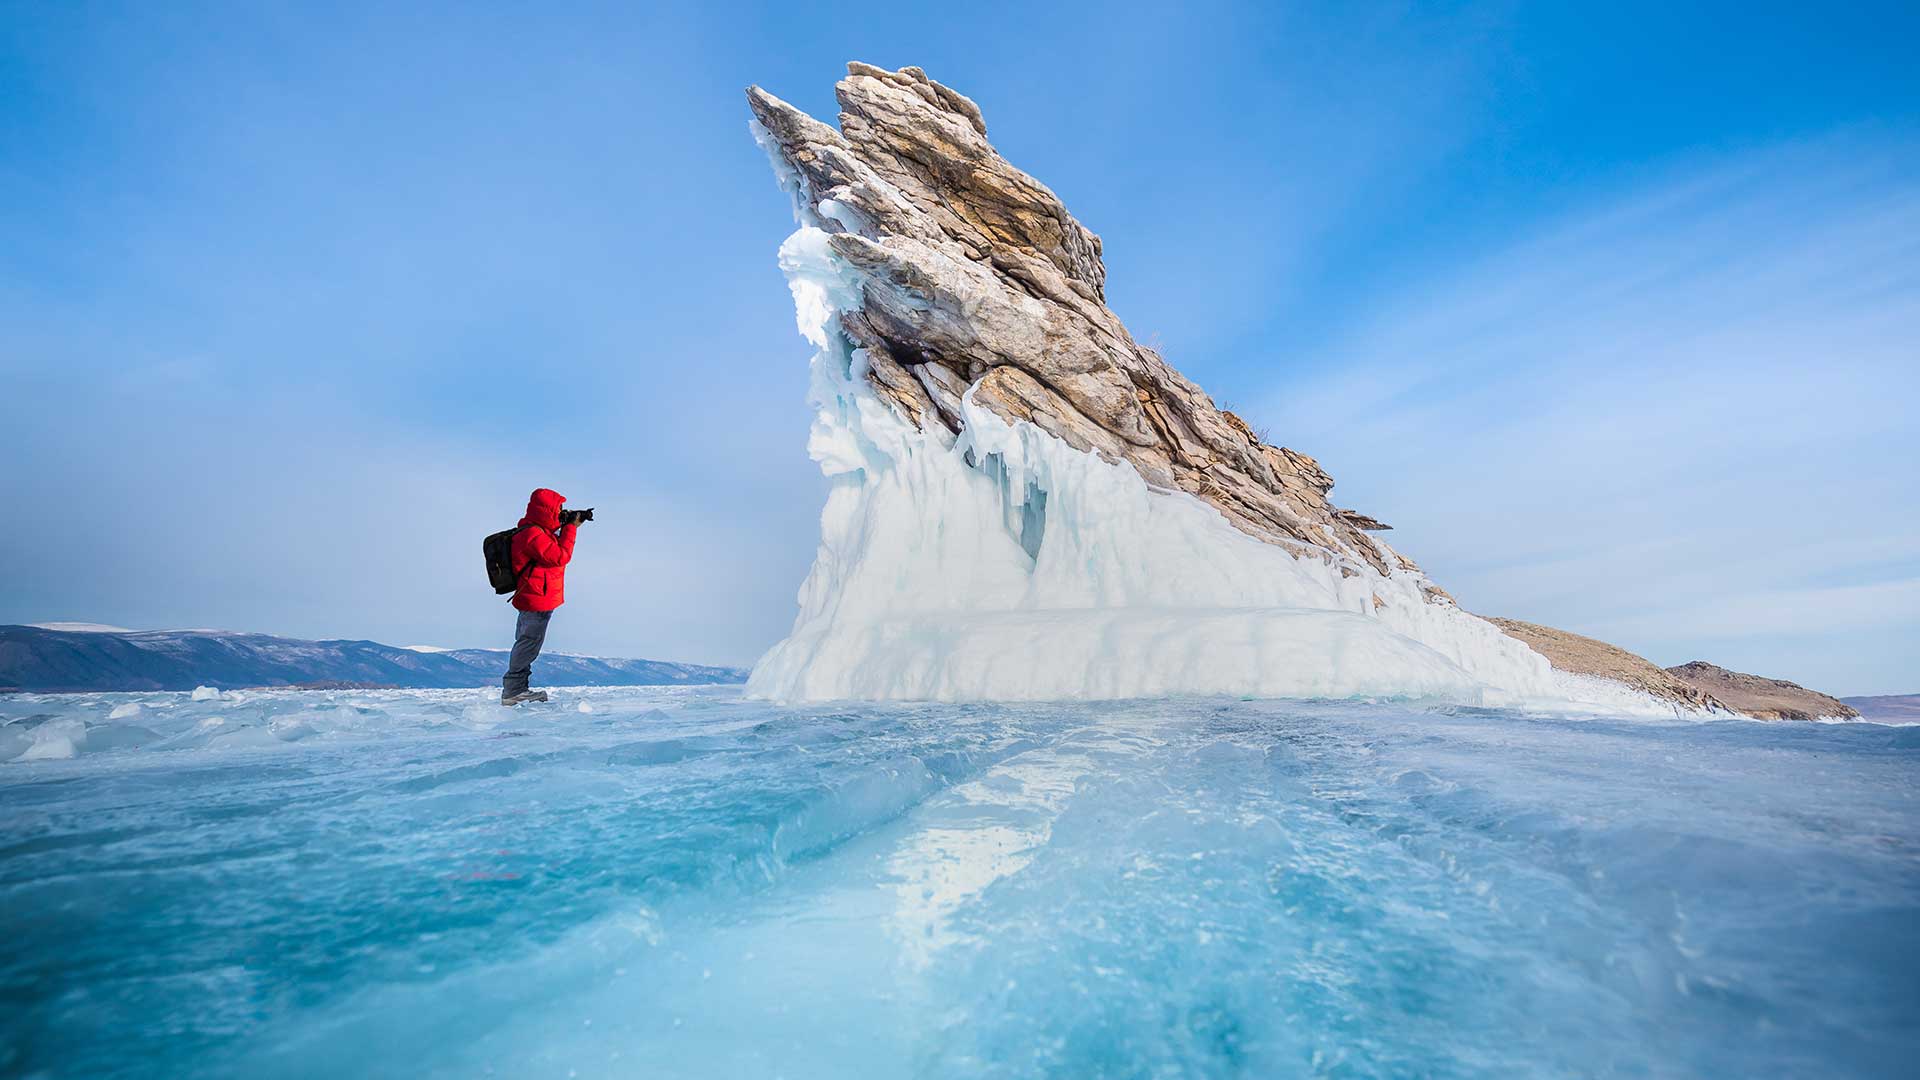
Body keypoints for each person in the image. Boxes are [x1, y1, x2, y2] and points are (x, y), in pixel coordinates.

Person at [502, 487, 581, 704]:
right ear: (547, 510)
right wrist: (570, 528)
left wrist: (566, 525)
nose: (561, 512)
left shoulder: (538, 532)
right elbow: (560, 556)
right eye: (559, 509)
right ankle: (514, 691)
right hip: (536, 597)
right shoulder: (532, 534)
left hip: (538, 595)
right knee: (528, 643)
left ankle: (516, 689)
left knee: (529, 642)